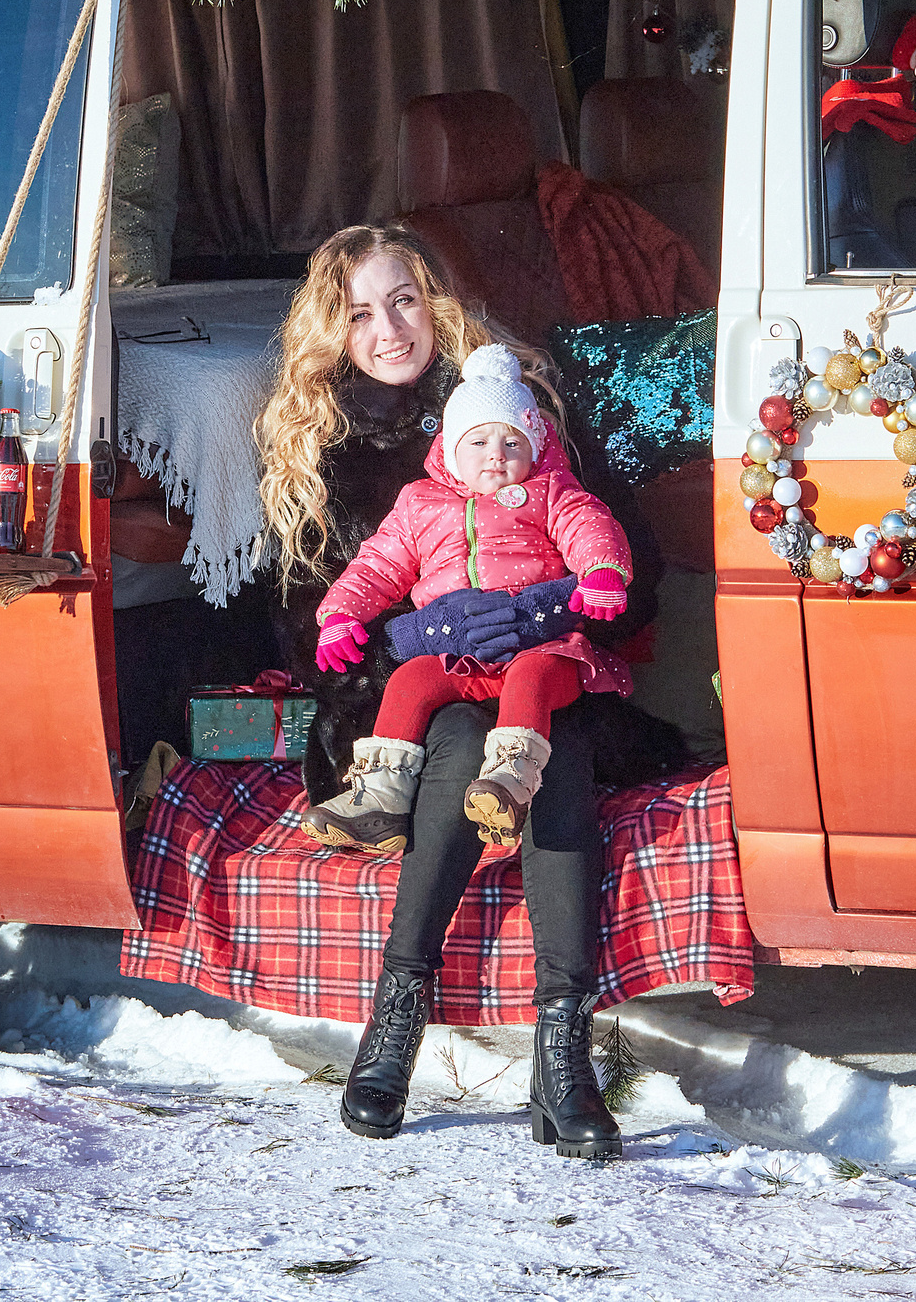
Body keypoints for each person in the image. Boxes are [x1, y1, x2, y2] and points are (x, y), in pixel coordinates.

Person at [256, 226, 653, 1159]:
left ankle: (563, 1053)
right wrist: (423, 634)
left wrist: (539, 610)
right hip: (397, 702)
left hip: (543, 659)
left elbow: (630, 565)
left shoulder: (524, 406)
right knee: (462, 740)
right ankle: (396, 1018)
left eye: (402, 300)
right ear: (333, 331)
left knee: (546, 741)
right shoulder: (319, 442)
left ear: (433, 299)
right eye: (360, 313)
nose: (388, 329)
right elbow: (309, 625)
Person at [302, 344, 633, 854]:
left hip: (538, 645)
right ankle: (382, 796)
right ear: (451, 450)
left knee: (533, 678)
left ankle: (509, 782)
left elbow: (588, 525)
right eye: (478, 441)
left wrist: (602, 571)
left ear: (535, 447)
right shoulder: (420, 503)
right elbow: (380, 561)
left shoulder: (550, 491)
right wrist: (342, 613)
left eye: (512, 441)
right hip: (460, 653)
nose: (496, 454)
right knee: (411, 680)